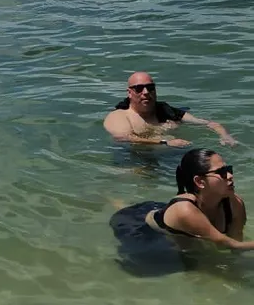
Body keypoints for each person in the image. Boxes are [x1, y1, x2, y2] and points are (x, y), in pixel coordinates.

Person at [110, 149, 254, 274]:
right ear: (199, 182)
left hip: (167, 213)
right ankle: (110, 199)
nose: (229, 175)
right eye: (221, 172)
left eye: (229, 169)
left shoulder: (235, 204)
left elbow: (236, 245)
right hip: (139, 225)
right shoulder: (185, 211)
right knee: (148, 267)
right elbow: (227, 243)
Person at [103, 71, 236, 148]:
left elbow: (209, 123)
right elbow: (122, 138)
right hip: (134, 160)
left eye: (150, 88)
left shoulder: (166, 111)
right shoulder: (120, 116)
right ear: (129, 92)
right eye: (139, 88)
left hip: (171, 158)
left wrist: (224, 135)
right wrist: (165, 142)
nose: (145, 92)